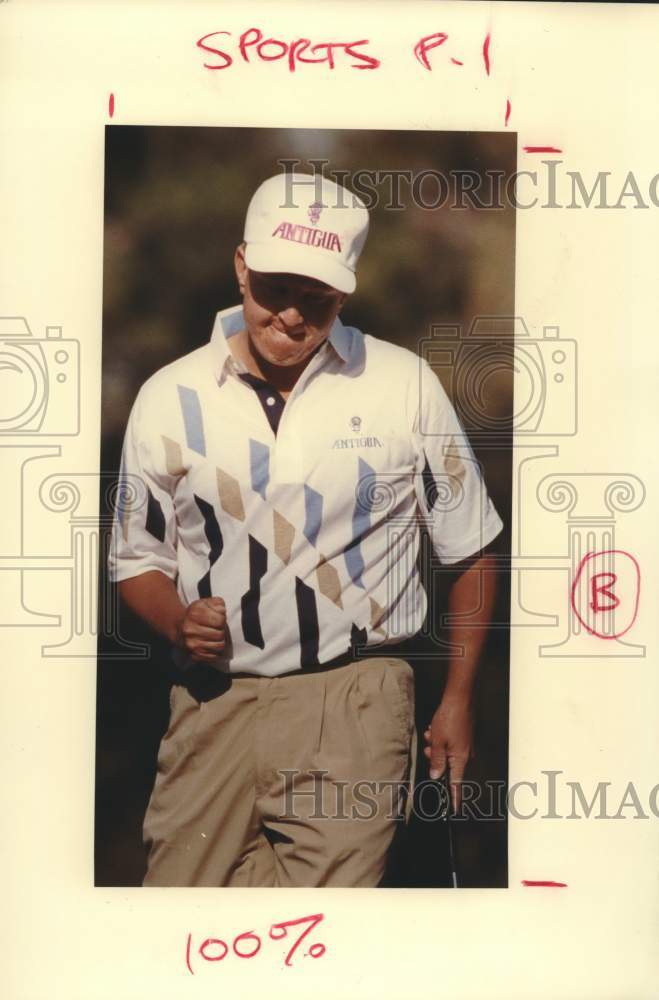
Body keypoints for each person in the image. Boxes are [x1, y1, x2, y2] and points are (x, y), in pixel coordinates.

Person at [108, 171, 503, 887]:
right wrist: (177, 623)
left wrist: (455, 699)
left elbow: (471, 548)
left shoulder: (401, 383)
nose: (290, 315)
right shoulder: (169, 396)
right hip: (211, 704)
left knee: (323, 941)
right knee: (180, 927)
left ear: (344, 291)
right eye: (274, 288)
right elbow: (135, 558)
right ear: (240, 266)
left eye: (315, 298)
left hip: (356, 701)